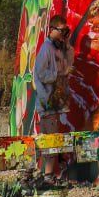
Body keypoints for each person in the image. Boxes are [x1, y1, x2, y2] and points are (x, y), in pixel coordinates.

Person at [33, 14, 73, 178]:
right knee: (50, 142)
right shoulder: (46, 49)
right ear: (52, 29)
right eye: (61, 31)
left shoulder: (57, 48)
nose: (63, 34)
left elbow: (70, 59)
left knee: (50, 140)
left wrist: (67, 42)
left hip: (54, 102)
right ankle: (48, 176)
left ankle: (45, 175)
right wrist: (60, 74)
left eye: (65, 31)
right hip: (47, 103)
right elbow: (41, 73)